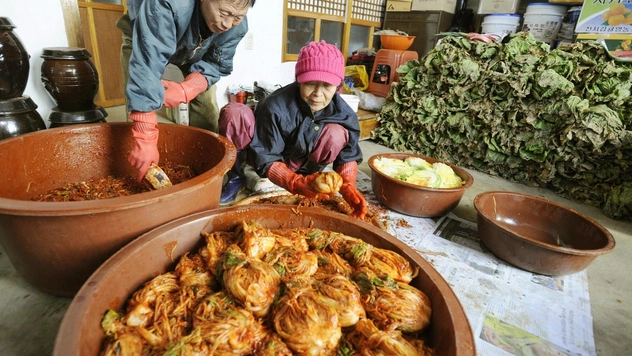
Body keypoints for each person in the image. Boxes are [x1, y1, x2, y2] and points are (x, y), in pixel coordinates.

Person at [218, 40, 368, 219]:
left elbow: (348, 154)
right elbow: (266, 156)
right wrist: (293, 182)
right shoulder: (275, 106)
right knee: (235, 113)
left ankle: (311, 179)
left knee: (336, 133)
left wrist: (348, 185)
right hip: (264, 156)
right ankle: (236, 178)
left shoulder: (344, 113)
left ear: (338, 87)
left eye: (327, 86)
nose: (318, 94)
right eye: (310, 83)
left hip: (304, 165)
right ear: (299, 81)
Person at [116, 0, 255, 182]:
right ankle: (134, 169)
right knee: (138, 103)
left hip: (197, 50)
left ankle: (206, 171)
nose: (227, 24)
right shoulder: (168, 3)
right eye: (223, 13)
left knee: (207, 107)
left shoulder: (237, 27)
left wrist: (187, 89)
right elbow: (147, 67)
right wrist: (145, 136)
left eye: (237, 17)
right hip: (145, 34)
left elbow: (216, 63)